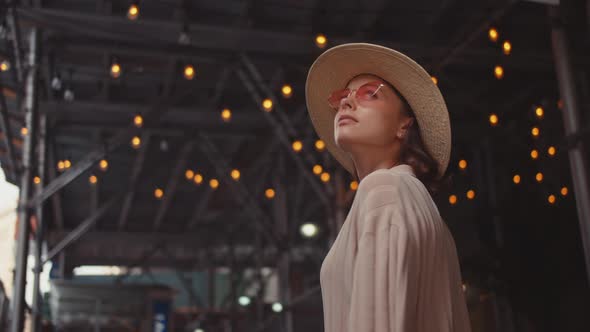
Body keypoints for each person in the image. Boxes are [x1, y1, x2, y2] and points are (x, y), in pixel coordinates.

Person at [305, 43, 472, 332]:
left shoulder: (383, 189)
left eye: (369, 94)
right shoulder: (413, 200)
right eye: (342, 96)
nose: (346, 103)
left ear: (404, 126)